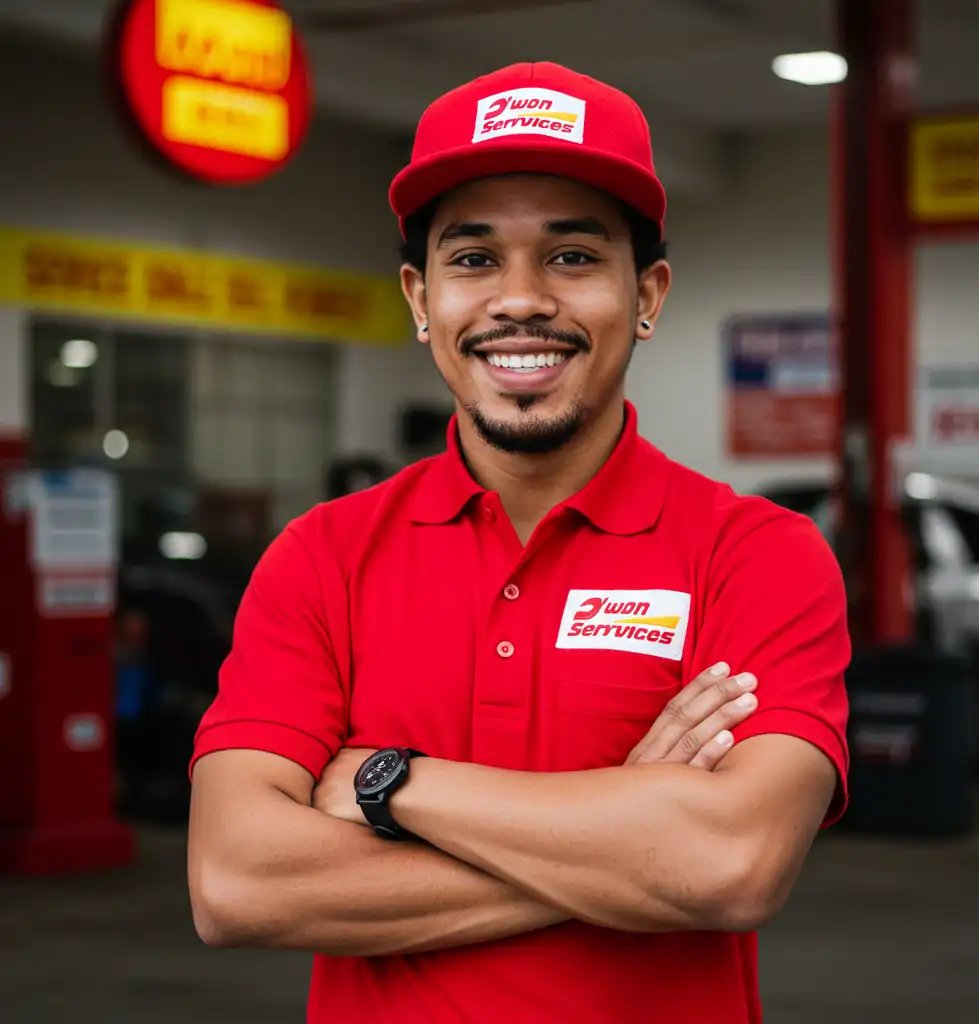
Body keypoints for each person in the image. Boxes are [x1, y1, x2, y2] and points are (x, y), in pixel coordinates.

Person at [187, 62, 850, 1024]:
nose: (522, 299)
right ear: (420, 299)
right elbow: (236, 883)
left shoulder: (759, 555)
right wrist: (628, 835)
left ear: (649, 293)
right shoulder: (320, 557)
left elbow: (729, 866)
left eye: (574, 257)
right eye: (473, 259)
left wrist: (388, 783)